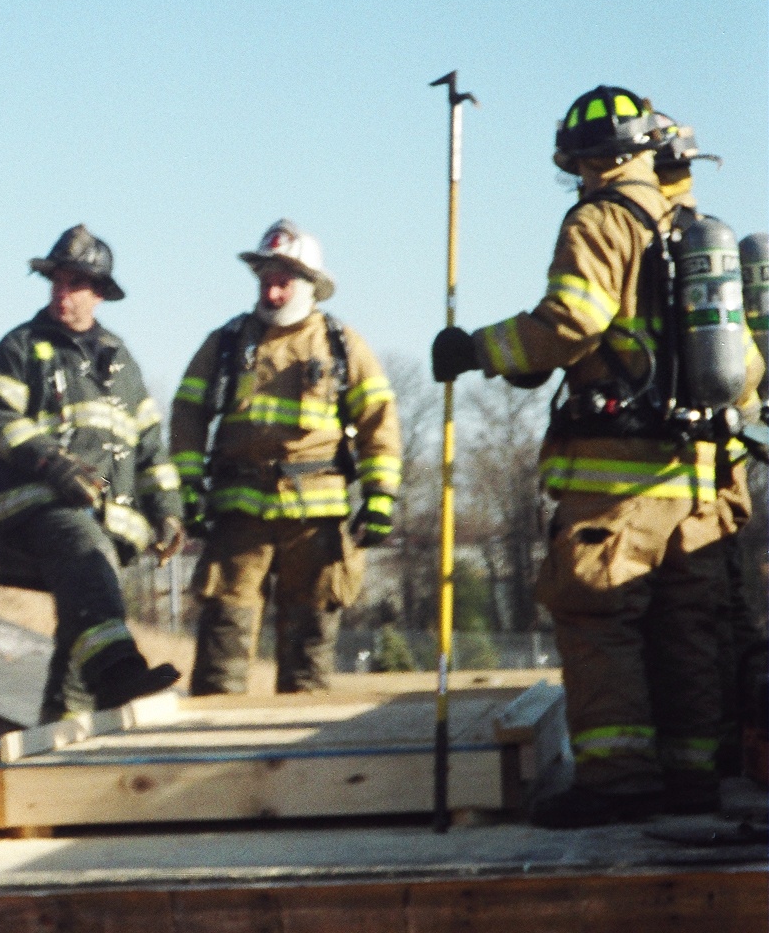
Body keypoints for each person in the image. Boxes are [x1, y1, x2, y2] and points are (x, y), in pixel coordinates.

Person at [431, 85, 765, 827]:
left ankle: (616, 784)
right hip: (702, 483)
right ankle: (690, 779)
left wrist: (479, 351)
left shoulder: (601, 219)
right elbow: (744, 371)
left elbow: (570, 322)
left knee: (599, 620)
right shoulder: (697, 231)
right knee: (688, 628)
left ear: (588, 162)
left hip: (617, 483)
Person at [171, 220, 401, 695]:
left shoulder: (342, 345)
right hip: (239, 516)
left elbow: (380, 419)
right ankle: (215, 752)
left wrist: (381, 496)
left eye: (283, 281)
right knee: (221, 652)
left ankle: (303, 763)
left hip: (315, 521)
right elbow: (188, 412)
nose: (271, 292)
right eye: (265, 280)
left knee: (309, 659)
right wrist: (188, 487)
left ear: (310, 285)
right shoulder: (228, 343)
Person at [0, 224, 185, 722]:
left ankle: (60, 722)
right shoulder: (20, 347)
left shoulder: (120, 362)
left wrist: (169, 514)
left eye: (75, 285)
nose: (63, 294)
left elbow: (150, 446)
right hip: (35, 502)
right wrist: (52, 462)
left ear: (100, 294)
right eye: (56, 282)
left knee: (85, 602)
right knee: (86, 558)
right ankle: (117, 672)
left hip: (100, 507)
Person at [650, 117, 768, 779]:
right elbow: (746, 369)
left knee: (684, 625)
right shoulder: (711, 241)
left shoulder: (656, 241)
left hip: (669, 469)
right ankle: (735, 743)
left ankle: (701, 761)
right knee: (724, 614)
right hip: (724, 467)